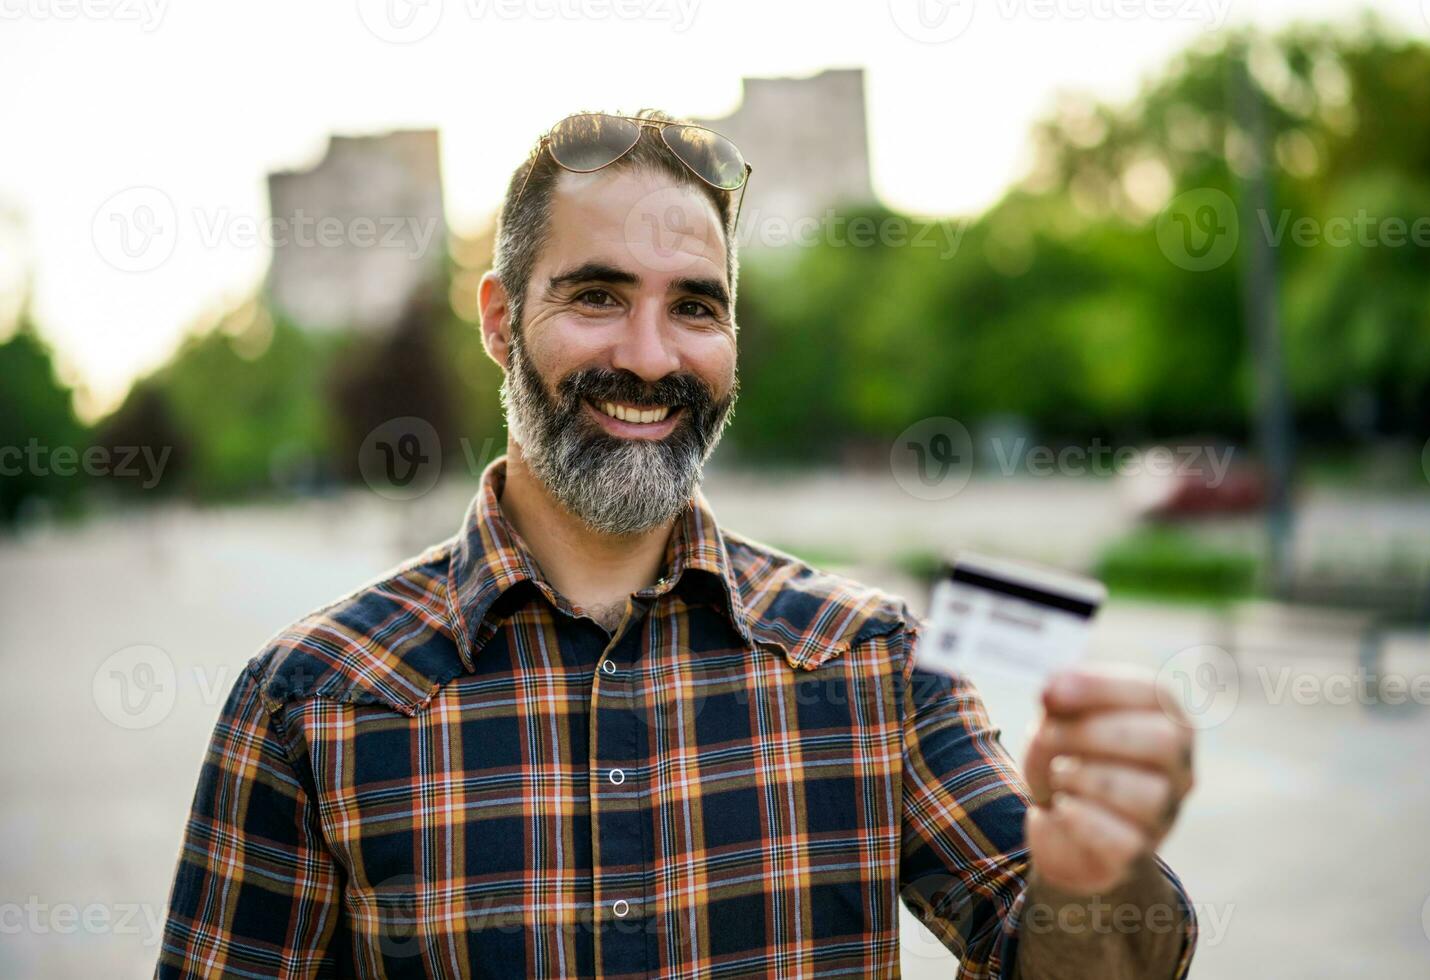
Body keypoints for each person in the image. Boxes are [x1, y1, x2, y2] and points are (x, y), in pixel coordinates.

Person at [156, 110, 1198, 978]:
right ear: (498, 318)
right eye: (598, 294)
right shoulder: (311, 700)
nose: (650, 357)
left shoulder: (875, 661)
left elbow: (1081, 957)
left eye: (695, 306)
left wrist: (1092, 871)